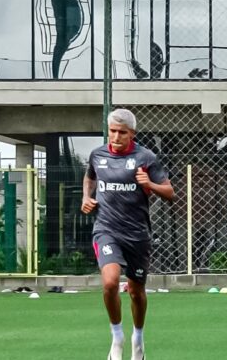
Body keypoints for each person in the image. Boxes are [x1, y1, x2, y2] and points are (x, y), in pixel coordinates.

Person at [81, 108, 174, 360]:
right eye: (112, 131)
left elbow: (169, 193)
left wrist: (149, 185)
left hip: (137, 234)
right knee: (110, 282)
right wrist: (86, 198)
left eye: (122, 132)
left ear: (132, 133)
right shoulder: (97, 155)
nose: (116, 136)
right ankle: (117, 336)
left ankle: (138, 338)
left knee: (136, 291)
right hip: (106, 229)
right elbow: (90, 176)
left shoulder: (146, 157)